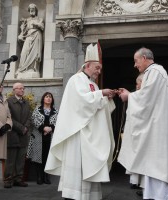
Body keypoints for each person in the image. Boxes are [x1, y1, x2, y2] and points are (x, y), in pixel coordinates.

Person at [45, 43, 116, 200]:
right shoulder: (76, 80)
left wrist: (106, 98)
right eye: (97, 68)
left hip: (89, 132)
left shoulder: (92, 84)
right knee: (78, 168)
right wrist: (100, 94)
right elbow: (81, 103)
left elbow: (96, 107)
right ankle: (73, 195)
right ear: (88, 65)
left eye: (100, 69)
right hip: (79, 132)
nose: (99, 71)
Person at [117, 47, 168, 200]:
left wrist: (129, 96)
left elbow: (146, 97)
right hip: (155, 124)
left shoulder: (155, 71)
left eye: (136, 61)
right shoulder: (153, 72)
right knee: (153, 163)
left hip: (157, 127)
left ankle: (159, 196)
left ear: (145, 58)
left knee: (157, 164)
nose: (135, 65)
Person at [27, 92, 58, 185]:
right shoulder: (37, 109)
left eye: (50, 97)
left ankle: (46, 177)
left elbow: (58, 121)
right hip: (38, 137)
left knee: (48, 157)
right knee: (38, 157)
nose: (48, 98)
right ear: (43, 99)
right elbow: (33, 120)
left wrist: (50, 128)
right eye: (46, 97)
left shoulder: (56, 111)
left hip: (50, 137)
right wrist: (43, 128)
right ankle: (39, 177)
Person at [4, 82, 31, 188]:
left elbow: (29, 116)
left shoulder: (26, 102)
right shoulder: (9, 102)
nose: (22, 90)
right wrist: (21, 128)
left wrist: (26, 127)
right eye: (19, 88)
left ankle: (18, 179)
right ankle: (8, 179)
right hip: (13, 133)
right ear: (14, 90)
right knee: (11, 159)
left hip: (23, 135)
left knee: (20, 159)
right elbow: (9, 117)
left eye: (23, 88)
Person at [16, 3, 44, 78]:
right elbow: (23, 31)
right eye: (30, 10)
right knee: (24, 53)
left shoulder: (39, 19)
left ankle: (32, 69)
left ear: (35, 10)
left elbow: (42, 27)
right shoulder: (27, 20)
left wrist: (36, 24)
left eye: (33, 9)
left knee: (35, 54)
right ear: (29, 11)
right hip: (28, 37)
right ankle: (22, 69)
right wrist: (21, 33)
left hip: (36, 36)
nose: (32, 11)